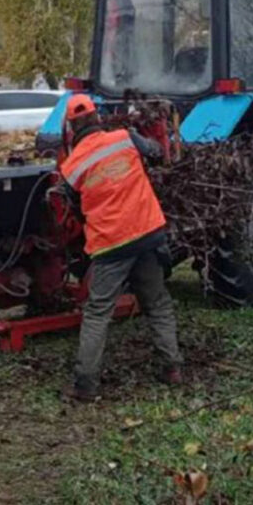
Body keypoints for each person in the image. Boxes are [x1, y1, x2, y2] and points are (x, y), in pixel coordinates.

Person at [59, 94, 183, 401]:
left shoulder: (71, 167)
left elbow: (74, 207)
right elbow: (156, 152)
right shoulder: (124, 139)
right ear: (98, 118)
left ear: (72, 129)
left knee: (98, 312)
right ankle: (172, 368)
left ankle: (85, 386)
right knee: (157, 303)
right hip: (148, 233)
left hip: (111, 244)